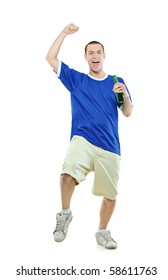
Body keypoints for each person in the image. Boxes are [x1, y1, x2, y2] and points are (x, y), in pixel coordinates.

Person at [46, 23, 133, 249]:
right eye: (91, 52)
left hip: (110, 146)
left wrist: (125, 94)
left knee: (111, 197)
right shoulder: (76, 80)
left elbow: (128, 112)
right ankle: (65, 214)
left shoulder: (116, 82)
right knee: (67, 174)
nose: (95, 56)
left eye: (98, 52)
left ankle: (102, 232)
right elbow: (51, 58)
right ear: (86, 57)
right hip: (82, 139)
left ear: (104, 56)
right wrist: (63, 32)